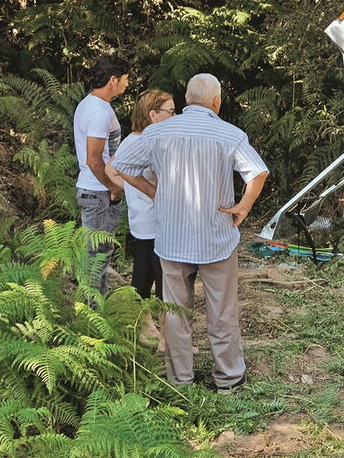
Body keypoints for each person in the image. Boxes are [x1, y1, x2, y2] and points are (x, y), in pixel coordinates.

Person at [111, 73, 268, 392]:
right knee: (221, 312)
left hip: (171, 241)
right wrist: (243, 206)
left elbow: (122, 165)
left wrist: (153, 190)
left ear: (185, 99)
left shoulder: (158, 132)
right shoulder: (229, 133)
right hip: (216, 241)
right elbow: (258, 171)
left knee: (175, 314)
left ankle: (180, 380)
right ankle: (228, 379)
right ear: (216, 101)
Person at [106, 89, 176, 347]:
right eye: (170, 111)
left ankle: (147, 330)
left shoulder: (135, 140)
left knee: (145, 276)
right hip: (153, 222)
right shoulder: (142, 141)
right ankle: (164, 339)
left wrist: (133, 189)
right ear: (152, 114)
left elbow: (114, 171)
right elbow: (110, 170)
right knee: (163, 280)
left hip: (145, 222)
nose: (175, 115)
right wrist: (146, 191)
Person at [73, 54, 130, 294]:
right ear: (113, 80)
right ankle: (92, 314)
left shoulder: (91, 104)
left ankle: (98, 309)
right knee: (96, 258)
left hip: (97, 191)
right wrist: (113, 187)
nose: (128, 84)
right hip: (98, 193)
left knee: (100, 256)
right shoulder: (99, 112)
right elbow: (93, 159)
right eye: (126, 79)